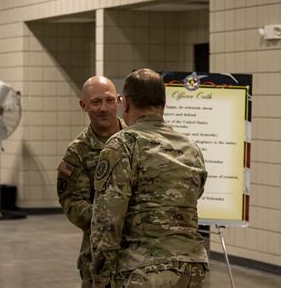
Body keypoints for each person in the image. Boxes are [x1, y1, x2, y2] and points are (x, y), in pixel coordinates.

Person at [90, 68, 209, 288]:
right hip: (192, 269)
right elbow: (194, 195)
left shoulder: (123, 145)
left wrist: (100, 278)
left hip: (143, 270)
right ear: (164, 105)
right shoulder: (190, 148)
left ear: (125, 104)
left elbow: (107, 221)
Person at [57, 76, 126, 288]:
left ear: (120, 101)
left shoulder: (136, 141)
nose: (103, 108)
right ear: (83, 105)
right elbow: (72, 203)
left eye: (109, 100)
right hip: (99, 257)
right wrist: (112, 217)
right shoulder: (78, 152)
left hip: (142, 255)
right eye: (96, 102)